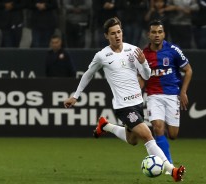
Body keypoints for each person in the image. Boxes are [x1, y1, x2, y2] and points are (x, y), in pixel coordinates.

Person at [64, 17, 185, 182]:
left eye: (119, 32)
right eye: (113, 33)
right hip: (123, 106)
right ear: (107, 36)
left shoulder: (133, 50)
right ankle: (172, 171)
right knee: (148, 135)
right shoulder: (102, 56)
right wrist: (75, 95)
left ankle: (105, 126)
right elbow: (88, 74)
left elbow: (147, 75)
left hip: (137, 103)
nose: (117, 36)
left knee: (132, 140)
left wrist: (143, 63)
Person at [142, 19, 192, 171]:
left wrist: (183, 91)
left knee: (173, 134)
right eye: (153, 32)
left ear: (164, 34)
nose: (157, 35)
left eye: (159, 32)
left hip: (172, 95)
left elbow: (188, 70)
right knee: (157, 127)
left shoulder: (173, 50)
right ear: (148, 35)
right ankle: (169, 165)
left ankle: (161, 152)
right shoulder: (143, 54)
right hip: (153, 95)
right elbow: (139, 76)